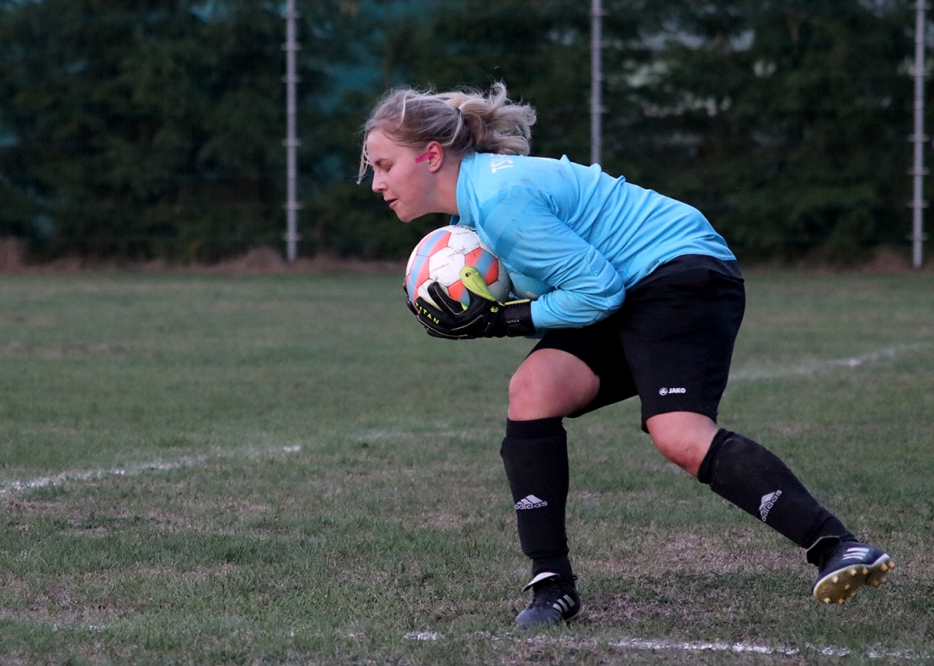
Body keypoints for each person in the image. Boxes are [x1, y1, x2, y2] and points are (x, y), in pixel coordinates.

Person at [358, 82, 893, 629]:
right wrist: (496, 314)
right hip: (628, 285)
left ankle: (836, 545)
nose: (377, 183)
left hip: (680, 272)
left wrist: (507, 320)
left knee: (679, 434)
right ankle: (552, 585)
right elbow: (581, 288)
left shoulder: (499, 202)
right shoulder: (473, 216)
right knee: (534, 389)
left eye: (384, 165)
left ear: (430, 156)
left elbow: (596, 292)